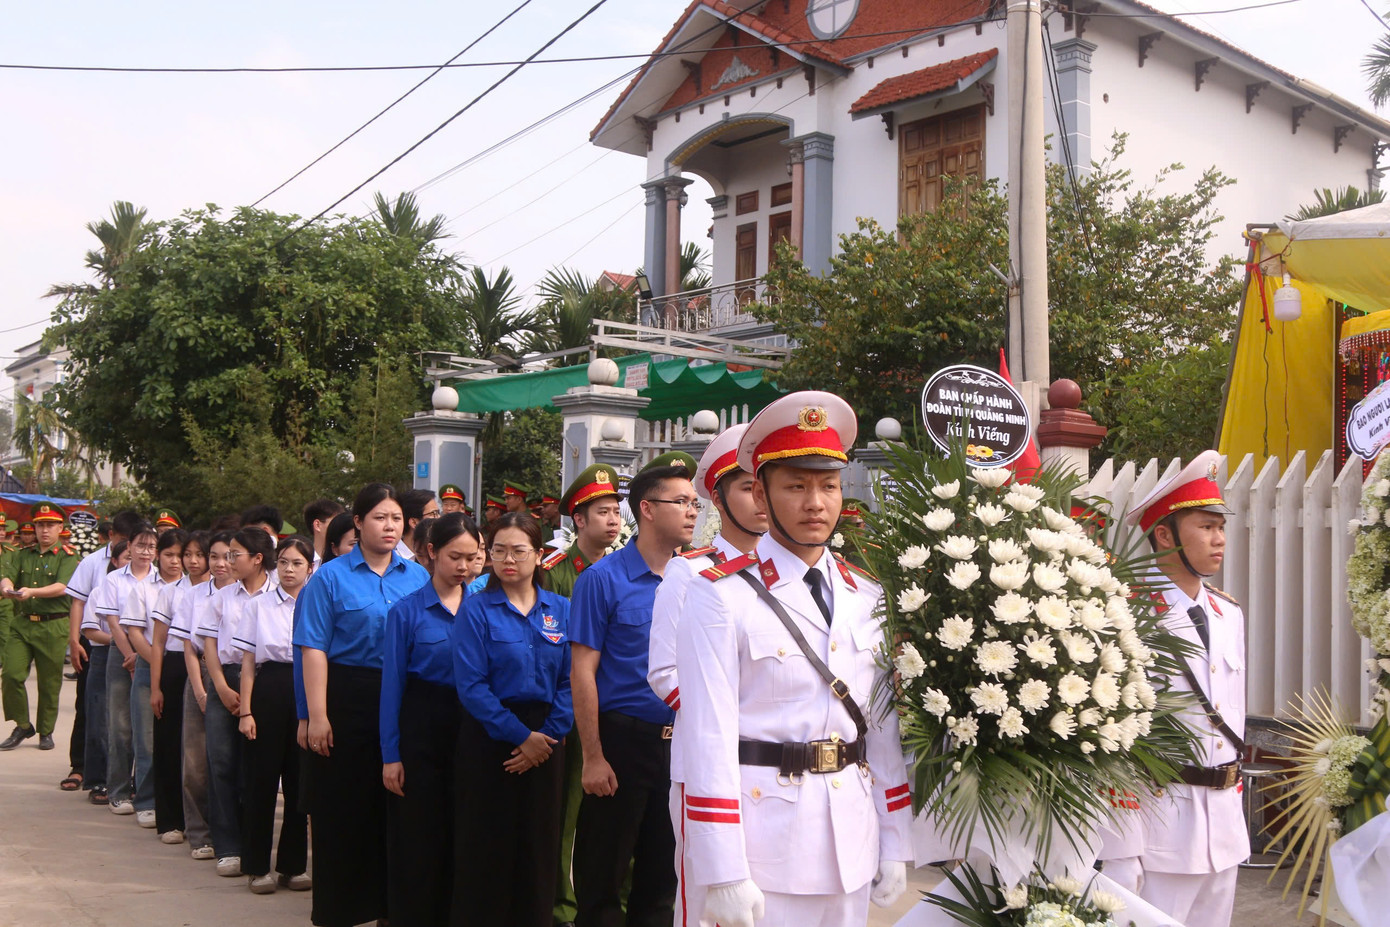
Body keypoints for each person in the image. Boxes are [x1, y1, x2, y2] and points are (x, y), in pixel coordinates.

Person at [675, 391, 912, 927]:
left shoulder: (864, 594)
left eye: (828, 485)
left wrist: (895, 836)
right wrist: (722, 870)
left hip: (849, 839)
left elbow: (881, 726)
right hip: (764, 846)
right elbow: (707, 738)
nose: (816, 503)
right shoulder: (719, 595)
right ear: (761, 493)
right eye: (796, 486)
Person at [1103, 451, 1246, 927]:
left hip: (1223, 826)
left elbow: (1231, 718)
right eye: (1205, 527)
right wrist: (1121, 847)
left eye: (1219, 526)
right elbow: (1111, 735)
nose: (1219, 539)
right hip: (1160, 826)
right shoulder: (1127, 615)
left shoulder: (1230, 615)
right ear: (1164, 535)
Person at [569, 453, 699, 927]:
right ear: (646, 509)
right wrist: (593, 755)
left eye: (694, 503)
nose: (691, 511)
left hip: (681, 744)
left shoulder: (699, 582)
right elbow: (582, 672)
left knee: (664, 877)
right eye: (680, 501)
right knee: (602, 873)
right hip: (622, 743)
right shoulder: (602, 579)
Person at [646, 425, 766, 926]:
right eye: (746, 488)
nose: (762, 500)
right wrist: (722, 719)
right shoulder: (691, 571)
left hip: (777, 766)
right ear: (718, 497)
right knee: (708, 904)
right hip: (708, 761)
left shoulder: (799, 575)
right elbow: (664, 670)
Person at [295, 482, 428, 927]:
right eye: (378, 518)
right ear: (357, 522)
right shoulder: (330, 578)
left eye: (395, 519)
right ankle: (339, 911)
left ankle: (392, 909)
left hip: (406, 697)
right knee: (343, 810)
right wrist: (316, 714)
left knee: (397, 809)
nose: (389, 527)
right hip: (347, 697)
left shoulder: (418, 577)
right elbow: (312, 648)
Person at [453, 512, 573, 927]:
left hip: (548, 737)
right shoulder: (476, 609)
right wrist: (521, 736)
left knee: (539, 843)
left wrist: (547, 736)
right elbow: (471, 686)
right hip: (491, 736)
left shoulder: (561, 609)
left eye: (519, 550)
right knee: (488, 842)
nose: (508, 560)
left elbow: (571, 681)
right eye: (499, 550)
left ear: (539, 555)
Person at [380, 512, 480, 925]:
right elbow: (392, 687)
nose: (463, 567)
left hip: (473, 726)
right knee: (420, 834)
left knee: (467, 832)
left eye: (472, 558)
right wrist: (391, 754)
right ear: (432, 553)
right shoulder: (406, 613)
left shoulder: (484, 608)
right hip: (422, 727)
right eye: (454, 556)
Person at [543, 463, 625, 927]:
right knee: (569, 812)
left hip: (617, 708)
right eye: (601, 512)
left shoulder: (624, 569)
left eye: (616, 511)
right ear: (578, 520)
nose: (612, 520)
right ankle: (563, 904)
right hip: (570, 708)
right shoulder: (555, 572)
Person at [235, 535, 312, 895]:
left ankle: (292, 866)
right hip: (269, 689)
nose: (289, 569)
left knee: (300, 784)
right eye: (283, 562)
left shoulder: (317, 604)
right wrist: (246, 711)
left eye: (297, 563)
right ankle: (256, 866)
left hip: (307, 689)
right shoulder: (259, 606)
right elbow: (248, 663)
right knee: (261, 782)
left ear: (310, 568)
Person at [198, 528, 275, 877]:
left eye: (235, 554)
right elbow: (208, 647)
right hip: (225, 680)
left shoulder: (279, 594)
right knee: (221, 763)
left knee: (255, 768)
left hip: (263, 681)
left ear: (257, 558)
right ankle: (227, 845)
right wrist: (219, 686)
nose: (227, 561)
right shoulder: (223, 598)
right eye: (227, 554)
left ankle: (252, 843)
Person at [66, 510, 143, 798]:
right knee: (93, 711)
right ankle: (89, 772)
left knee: (131, 720)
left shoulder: (150, 577)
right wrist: (74, 640)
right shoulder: (94, 566)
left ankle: (128, 780)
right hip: (100, 649)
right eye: (125, 543)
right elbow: (78, 602)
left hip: (140, 652)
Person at [171, 531, 235, 861]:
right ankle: (200, 834)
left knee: (228, 762)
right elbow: (188, 646)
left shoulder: (249, 595)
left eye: (227, 556)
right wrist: (199, 689)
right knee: (195, 764)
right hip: (201, 675)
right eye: (214, 556)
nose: (220, 563)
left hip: (238, 676)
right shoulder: (194, 596)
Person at [119, 526, 186, 829]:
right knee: (146, 739)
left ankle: (177, 803)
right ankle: (146, 800)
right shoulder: (144, 588)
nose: (175, 561)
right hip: (150, 668)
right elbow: (134, 632)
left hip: (184, 669)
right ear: (158, 556)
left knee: (179, 742)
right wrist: (157, 662)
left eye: (180, 555)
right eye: (169, 555)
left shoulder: (193, 588)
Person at [0, 503, 79, 752]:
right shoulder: (23, 553)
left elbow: (62, 587)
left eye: (50, 525)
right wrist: (6, 586)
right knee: (11, 674)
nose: (44, 530)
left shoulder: (68, 555)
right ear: (34, 528)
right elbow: (8, 574)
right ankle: (22, 724)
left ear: (60, 528)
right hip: (23, 623)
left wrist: (31, 591)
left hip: (52, 625)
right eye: (40, 525)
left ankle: (46, 731)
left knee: (49, 682)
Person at [150, 531, 204, 846]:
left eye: (199, 554)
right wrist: (155, 686)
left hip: (207, 664)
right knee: (169, 743)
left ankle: (201, 819)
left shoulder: (220, 591)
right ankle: (170, 819)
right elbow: (157, 643)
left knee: (199, 750)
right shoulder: (171, 592)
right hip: (173, 667)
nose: (192, 561)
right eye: (188, 555)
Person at [395, 488, 441, 562]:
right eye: (433, 513)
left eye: (438, 512)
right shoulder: (393, 558)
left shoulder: (437, 554)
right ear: (413, 522)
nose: (439, 518)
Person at [303, 499, 347, 563]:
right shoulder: (301, 560)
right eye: (334, 522)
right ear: (317, 525)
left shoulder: (344, 561)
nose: (340, 527)